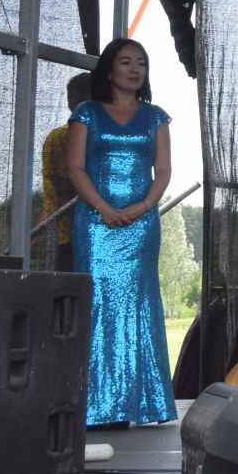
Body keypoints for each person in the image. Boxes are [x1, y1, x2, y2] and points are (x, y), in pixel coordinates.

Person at [65, 39, 176, 427]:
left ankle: (140, 403)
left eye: (141, 64)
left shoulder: (156, 117)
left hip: (140, 225)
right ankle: (95, 405)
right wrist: (103, 208)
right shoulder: (87, 113)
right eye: (125, 62)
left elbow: (163, 171)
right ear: (109, 70)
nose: (134, 69)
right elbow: (75, 169)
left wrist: (143, 207)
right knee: (97, 304)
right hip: (97, 225)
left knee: (138, 305)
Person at [39, 71, 89, 272]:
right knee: (69, 293)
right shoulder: (61, 138)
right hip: (66, 236)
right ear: (71, 104)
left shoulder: (100, 139)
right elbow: (64, 192)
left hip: (95, 233)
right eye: (88, 103)